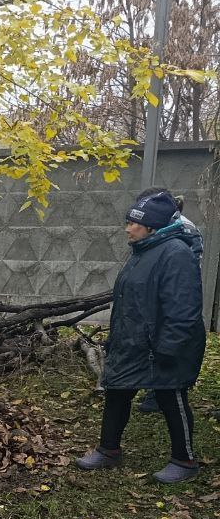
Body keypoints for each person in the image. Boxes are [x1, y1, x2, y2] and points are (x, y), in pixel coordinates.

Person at [77, 190, 206, 484]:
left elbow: (184, 308)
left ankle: (184, 461)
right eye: (128, 221)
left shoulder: (176, 253)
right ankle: (108, 450)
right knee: (117, 391)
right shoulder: (143, 251)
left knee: (171, 395)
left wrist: (169, 347)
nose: (128, 228)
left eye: (135, 223)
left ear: (153, 227)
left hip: (164, 345)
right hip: (134, 341)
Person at [135, 188, 204, 414]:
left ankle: (160, 392)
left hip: (173, 295)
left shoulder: (182, 229)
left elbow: (182, 271)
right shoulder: (167, 225)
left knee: (169, 339)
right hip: (162, 294)